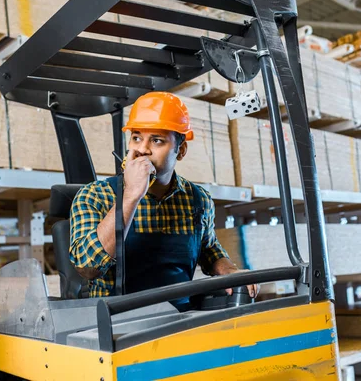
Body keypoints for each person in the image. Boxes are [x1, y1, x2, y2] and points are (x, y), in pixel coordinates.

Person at [69, 91, 258, 310]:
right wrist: (131, 195)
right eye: (136, 137)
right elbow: (87, 266)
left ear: (181, 150)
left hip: (178, 323)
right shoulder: (95, 196)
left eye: (157, 140)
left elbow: (209, 250)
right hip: (116, 329)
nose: (142, 149)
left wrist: (230, 271)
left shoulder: (197, 201)